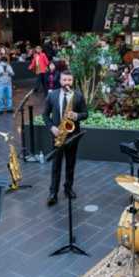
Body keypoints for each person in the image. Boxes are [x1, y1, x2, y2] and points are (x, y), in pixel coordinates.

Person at [43, 70, 88, 206]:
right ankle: (53, 193)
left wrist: (77, 116)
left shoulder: (78, 95)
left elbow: (85, 113)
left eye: (69, 80)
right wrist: (52, 128)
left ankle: (68, 188)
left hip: (72, 135)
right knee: (56, 165)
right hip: (58, 135)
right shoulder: (52, 96)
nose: (66, 82)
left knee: (70, 164)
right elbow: (45, 115)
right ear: (60, 80)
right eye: (64, 80)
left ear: (72, 81)